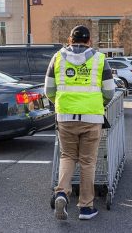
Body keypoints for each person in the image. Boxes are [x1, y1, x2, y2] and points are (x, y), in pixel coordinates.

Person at [45, 25, 115, 220]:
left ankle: (61, 193)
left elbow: (49, 89)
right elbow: (109, 91)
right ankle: (85, 207)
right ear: (89, 41)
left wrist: (61, 104)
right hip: (92, 117)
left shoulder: (57, 57)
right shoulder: (100, 59)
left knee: (67, 156)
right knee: (88, 161)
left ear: (69, 39)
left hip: (65, 116)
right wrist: (99, 104)